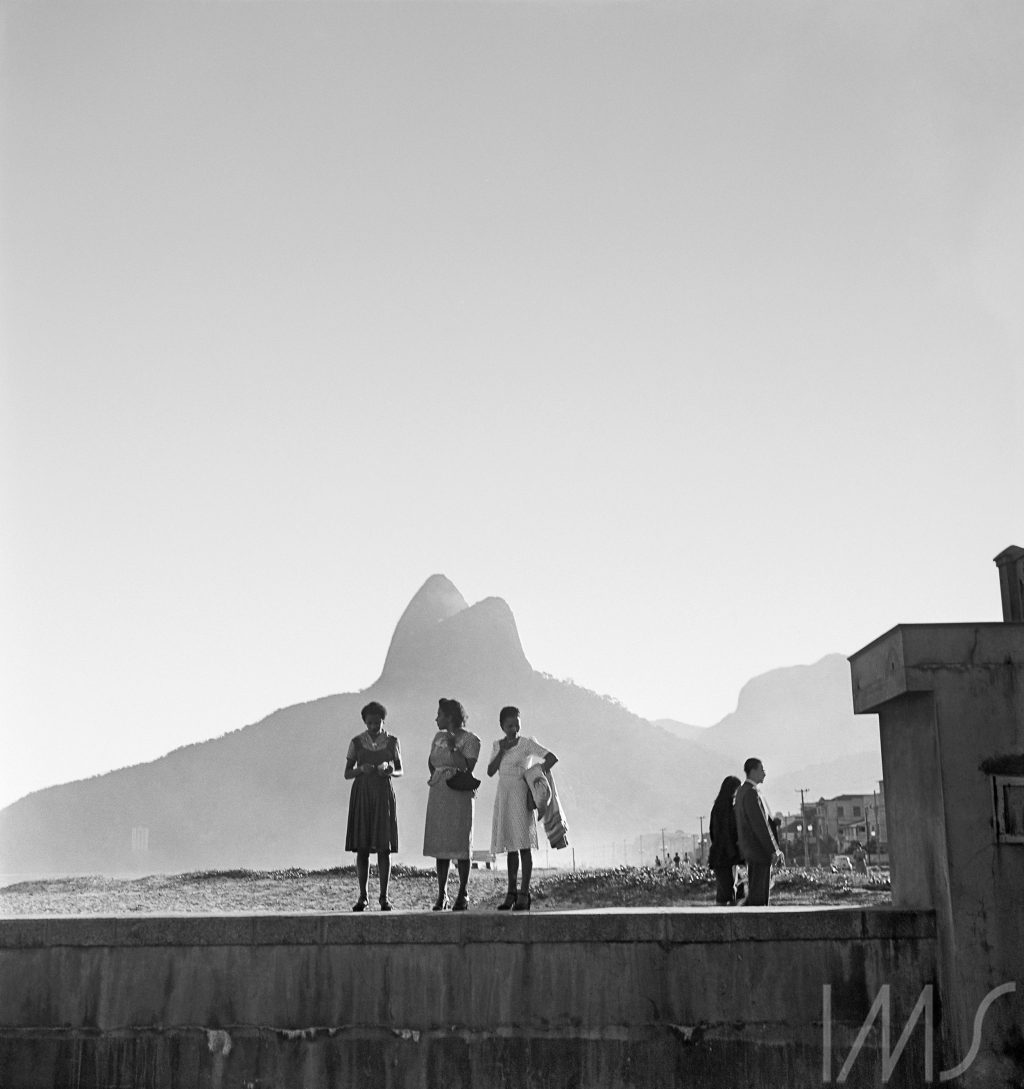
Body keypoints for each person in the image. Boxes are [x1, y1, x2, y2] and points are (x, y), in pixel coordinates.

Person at [487, 706, 558, 912]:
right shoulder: (497, 745)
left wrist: (534, 774)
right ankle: (511, 892)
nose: (514, 729)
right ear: (502, 726)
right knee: (511, 847)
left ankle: (524, 893)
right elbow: (490, 771)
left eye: (517, 725)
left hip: (521, 795)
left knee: (524, 845)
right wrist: (502, 750)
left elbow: (551, 757)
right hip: (504, 795)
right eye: (510, 725)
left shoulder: (526, 743)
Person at [344, 700, 402, 911]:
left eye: (377, 723)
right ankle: (363, 896)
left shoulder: (392, 742)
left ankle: (384, 897)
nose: (373, 726)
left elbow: (400, 769)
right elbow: (347, 773)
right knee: (363, 847)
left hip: (383, 793)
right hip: (362, 794)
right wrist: (361, 769)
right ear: (365, 722)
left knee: (384, 847)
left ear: (383, 721)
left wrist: (389, 770)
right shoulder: (356, 742)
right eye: (370, 723)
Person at [423, 698, 480, 911]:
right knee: (441, 844)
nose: (436, 718)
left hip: (459, 792)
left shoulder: (471, 739)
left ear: (449, 717)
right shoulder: (437, 737)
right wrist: (438, 774)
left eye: (439, 714)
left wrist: (453, 747)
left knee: (461, 843)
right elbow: (432, 761)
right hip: (439, 791)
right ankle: (442, 893)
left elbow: (467, 766)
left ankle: (463, 892)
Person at [734, 758, 784, 906]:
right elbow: (760, 825)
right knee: (759, 897)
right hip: (758, 850)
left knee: (755, 892)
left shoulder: (742, 791)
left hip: (750, 849)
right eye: (761, 770)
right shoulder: (751, 793)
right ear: (753, 771)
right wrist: (773, 850)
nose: (764, 773)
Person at [708, 775, 742, 905]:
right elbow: (726, 834)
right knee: (727, 892)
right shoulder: (725, 809)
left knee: (726, 890)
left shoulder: (718, 807)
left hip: (721, 855)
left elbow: (714, 833)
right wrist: (733, 852)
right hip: (725, 855)